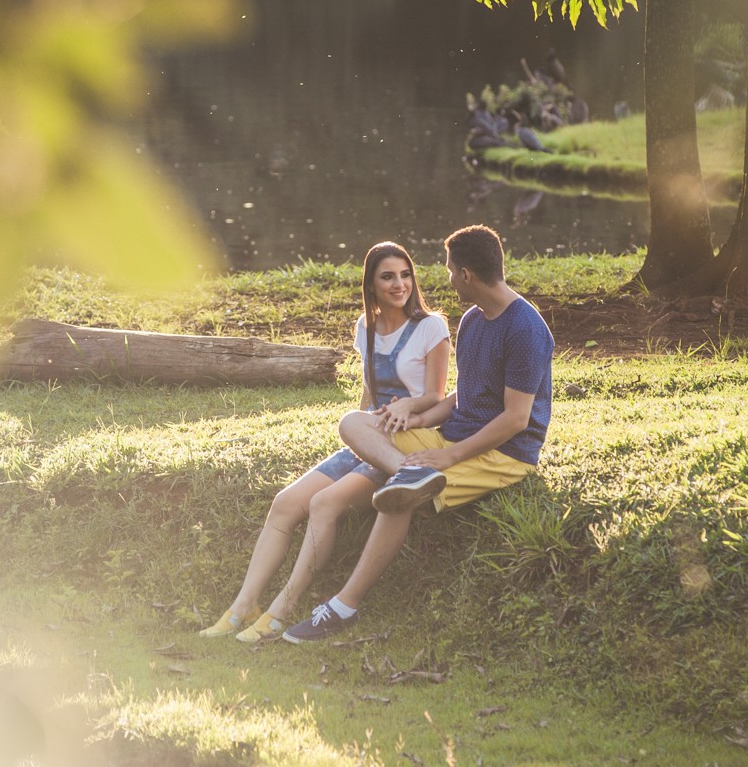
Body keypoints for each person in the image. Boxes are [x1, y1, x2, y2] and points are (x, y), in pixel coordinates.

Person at [281, 225, 553, 643]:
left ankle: (343, 607)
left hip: (504, 455)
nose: (444, 278)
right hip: (451, 435)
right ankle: (407, 472)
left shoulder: (526, 329)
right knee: (355, 422)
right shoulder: (474, 320)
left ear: (466, 275)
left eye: (448, 270)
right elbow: (466, 394)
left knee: (398, 500)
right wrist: (419, 419)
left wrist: (448, 456)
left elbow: (516, 419)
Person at [200, 242, 451, 641]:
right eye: (388, 276)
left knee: (324, 503)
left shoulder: (430, 327)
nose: (399, 284)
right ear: (370, 284)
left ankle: (282, 610)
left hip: (405, 439)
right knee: (284, 504)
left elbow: (437, 395)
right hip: (367, 436)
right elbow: (368, 397)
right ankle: (243, 604)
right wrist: (357, 440)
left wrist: (408, 404)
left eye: (405, 275)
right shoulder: (365, 327)